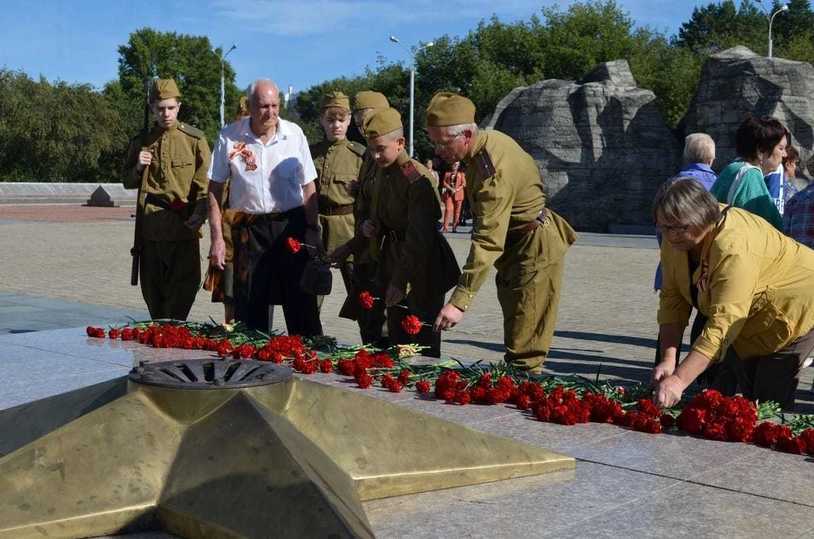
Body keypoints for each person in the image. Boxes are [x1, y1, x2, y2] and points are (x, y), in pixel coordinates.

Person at [428, 92, 576, 372]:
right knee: (518, 329)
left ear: (467, 135)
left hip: (532, 248)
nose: (437, 150)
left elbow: (487, 241)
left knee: (525, 348)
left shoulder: (490, 172)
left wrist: (459, 302)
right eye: (434, 141)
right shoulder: (485, 145)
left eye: (443, 143)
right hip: (518, 246)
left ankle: (521, 404)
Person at [652, 178, 814, 411]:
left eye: (679, 228)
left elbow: (723, 324)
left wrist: (679, 380)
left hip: (794, 308)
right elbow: (672, 299)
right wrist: (669, 359)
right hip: (748, 322)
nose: (671, 236)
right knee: (746, 401)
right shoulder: (676, 238)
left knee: (769, 401)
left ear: (703, 218)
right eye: (663, 227)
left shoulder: (733, 245)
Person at [331, 108, 460, 357]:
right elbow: (378, 219)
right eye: (371, 150)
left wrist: (400, 281)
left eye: (381, 148)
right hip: (394, 257)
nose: (375, 156)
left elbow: (418, 239)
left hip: (423, 266)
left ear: (400, 143)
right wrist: (350, 246)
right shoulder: (383, 171)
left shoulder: (416, 178)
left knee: (419, 340)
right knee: (396, 337)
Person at [207, 79, 322, 336]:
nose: (270, 113)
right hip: (250, 230)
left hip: (290, 226)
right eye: (262, 106)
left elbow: (309, 186)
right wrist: (217, 238)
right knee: (250, 305)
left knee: (301, 304)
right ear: (249, 106)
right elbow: (214, 191)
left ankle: (307, 360)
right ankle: (254, 364)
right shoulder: (229, 137)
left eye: (274, 105)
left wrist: (313, 229)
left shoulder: (294, 134)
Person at [123, 78, 210, 321]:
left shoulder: (194, 140)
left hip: (182, 231)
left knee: (181, 295)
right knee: (154, 295)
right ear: (152, 108)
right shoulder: (142, 141)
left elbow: (205, 186)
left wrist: (198, 217)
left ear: (179, 107)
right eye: (160, 108)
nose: (166, 113)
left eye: (171, 108)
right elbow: (127, 181)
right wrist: (139, 166)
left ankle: (173, 340)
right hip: (150, 233)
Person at [653, 134, 718, 369]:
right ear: (712, 158)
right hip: (707, 268)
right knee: (705, 322)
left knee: (670, 317)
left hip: (672, 264)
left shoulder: (671, 184)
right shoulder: (717, 184)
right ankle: (703, 375)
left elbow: (660, 230)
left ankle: (665, 367)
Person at [336, 90, 392, 347]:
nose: (363, 127)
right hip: (367, 252)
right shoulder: (370, 155)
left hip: (386, 255)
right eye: (358, 123)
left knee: (383, 326)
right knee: (367, 320)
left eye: (367, 120)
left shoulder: (391, 155)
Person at [310, 91, 365, 313]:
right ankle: (309, 337)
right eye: (330, 120)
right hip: (318, 225)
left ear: (349, 120)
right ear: (322, 120)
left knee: (358, 287)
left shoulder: (359, 154)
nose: (336, 125)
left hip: (348, 228)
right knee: (313, 289)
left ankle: (372, 338)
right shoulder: (311, 153)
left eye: (341, 120)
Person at [204, 95, 250, 323]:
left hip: (253, 230)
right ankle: (230, 327)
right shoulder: (227, 145)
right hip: (229, 228)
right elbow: (214, 190)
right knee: (229, 290)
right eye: (241, 121)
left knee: (256, 291)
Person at [709, 115, 785, 230]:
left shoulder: (731, 169)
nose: (785, 154)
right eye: (781, 148)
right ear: (761, 150)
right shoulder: (750, 176)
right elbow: (762, 229)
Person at [441, 161, 466, 233]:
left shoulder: (461, 174)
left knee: (457, 212)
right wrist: (450, 188)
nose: (454, 166)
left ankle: (454, 227)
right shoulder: (447, 173)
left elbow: (464, 184)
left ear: (458, 166)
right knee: (448, 209)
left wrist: (458, 189)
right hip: (449, 194)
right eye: (453, 164)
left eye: (456, 165)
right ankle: (445, 227)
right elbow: (444, 182)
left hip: (459, 195)